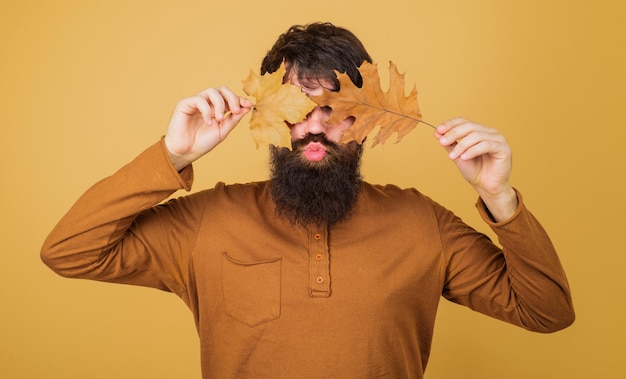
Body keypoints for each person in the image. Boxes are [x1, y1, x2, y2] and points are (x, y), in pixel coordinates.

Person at [41, 22, 575, 378]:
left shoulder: (420, 222)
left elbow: (546, 311)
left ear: (365, 119)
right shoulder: (209, 220)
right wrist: (172, 155)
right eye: (297, 105)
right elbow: (69, 251)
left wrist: (498, 196)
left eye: (335, 108)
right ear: (267, 110)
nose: (313, 128)